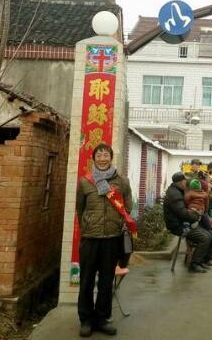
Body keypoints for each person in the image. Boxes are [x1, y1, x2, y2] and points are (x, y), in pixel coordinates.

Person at [76, 144, 133, 337]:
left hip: (112, 239)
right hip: (90, 239)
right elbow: (80, 209)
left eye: (106, 154)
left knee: (106, 282)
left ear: (110, 157)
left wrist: (115, 223)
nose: (102, 157)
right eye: (99, 154)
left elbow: (128, 206)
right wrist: (88, 225)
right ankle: (86, 319)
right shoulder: (85, 182)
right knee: (86, 281)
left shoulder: (122, 181)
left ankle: (102, 319)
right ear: (94, 158)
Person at [163, 172, 212, 273]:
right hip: (178, 226)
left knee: (210, 235)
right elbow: (182, 213)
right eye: (185, 180)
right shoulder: (175, 194)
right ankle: (194, 264)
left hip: (184, 223)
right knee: (205, 237)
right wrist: (196, 215)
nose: (186, 182)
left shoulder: (178, 191)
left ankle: (200, 261)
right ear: (181, 182)